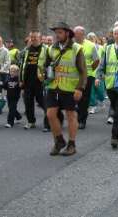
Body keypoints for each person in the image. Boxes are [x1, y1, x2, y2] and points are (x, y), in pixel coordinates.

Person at [45, 22, 87, 156]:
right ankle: (59, 141)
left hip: (70, 87)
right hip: (53, 86)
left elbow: (83, 71)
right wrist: (43, 73)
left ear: (67, 33)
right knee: (50, 114)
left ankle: (71, 144)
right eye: (56, 32)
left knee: (71, 116)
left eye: (60, 32)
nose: (57, 35)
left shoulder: (76, 48)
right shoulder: (51, 48)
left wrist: (80, 88)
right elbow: (47, 65)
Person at [19, 31, 50, 130]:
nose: (33, 39)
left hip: (40, 81)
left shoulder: (46, 49)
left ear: (40, 39)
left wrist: (47, 77)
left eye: (35, 37)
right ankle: (31, 121)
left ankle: (48, 123)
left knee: (43, 102)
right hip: (28, 81)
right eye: (31, 37)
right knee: (28, 102)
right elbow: (21, 64)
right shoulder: (27, 49)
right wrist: (21, 79)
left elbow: (50, 64)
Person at [73, 26, 100, 129]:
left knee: (84, 98)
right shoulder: (72, 45)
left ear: (83, 35)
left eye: (78, 34)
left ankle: (82, 120)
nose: (76, 36)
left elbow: (96, 60)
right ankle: (76, 116)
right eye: (74, 34)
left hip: (87, 75)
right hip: (74, 75)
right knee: (74, 97)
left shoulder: (91, 45)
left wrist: (91, 70)